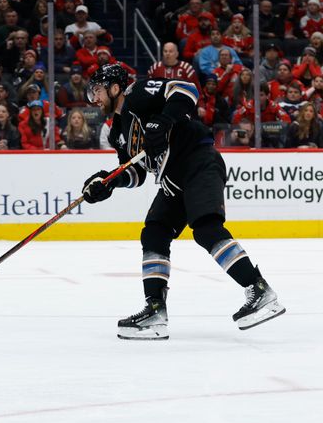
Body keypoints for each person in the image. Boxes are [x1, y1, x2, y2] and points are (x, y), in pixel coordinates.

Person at [81, 63, 285, 340]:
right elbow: (136, 171)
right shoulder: (118, 130)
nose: (95, 98)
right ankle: (155, 309)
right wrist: (109, 182)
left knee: (206, 228)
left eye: (98, 91)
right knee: (154, 232)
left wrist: (164, 119)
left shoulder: (138, 93)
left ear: (115, 87)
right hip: (173, 179)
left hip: (198, 161)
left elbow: (185, 89)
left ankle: (259, 289)